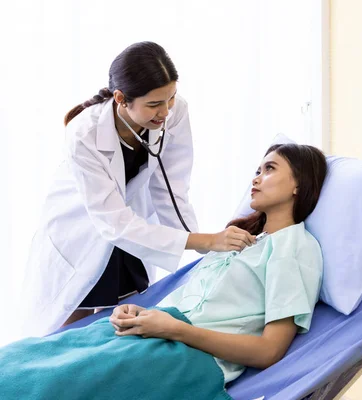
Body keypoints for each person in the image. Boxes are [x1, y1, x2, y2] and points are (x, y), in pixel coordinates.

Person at [1, 144, 327, 400]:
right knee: (21, 361)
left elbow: (270, 351)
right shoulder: (241, 240)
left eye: (269, 169)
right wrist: (141, 315)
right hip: (156, 333)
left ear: (300, 184)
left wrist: (173, 329)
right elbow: (194, 303)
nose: (255, 178)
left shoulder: (294, 247)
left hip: (186, 356)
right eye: (257, 169)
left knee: (50, 384)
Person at [21, 41, 255, 337]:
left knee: (122, 325)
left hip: (134, 229)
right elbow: (112, 222)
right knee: (71, 328)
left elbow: (171, 190)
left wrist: (204, 251)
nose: (166, 112)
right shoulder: (84, 134)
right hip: (81, 232)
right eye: (154, 104)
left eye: (170, 98)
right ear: (121, 98)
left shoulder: (175, 111)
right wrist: (206, 241)